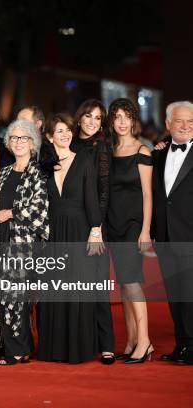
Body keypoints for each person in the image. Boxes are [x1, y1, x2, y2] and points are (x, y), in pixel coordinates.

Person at [37, 113, 103, 364]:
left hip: (78, 229)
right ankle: (52, 349)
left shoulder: (84, 159)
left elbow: (91, 198)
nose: (65, 135)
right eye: (59, 131)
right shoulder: (43, 164)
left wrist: (95, 230)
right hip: (52, 232)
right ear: (50, 136)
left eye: (68, 130)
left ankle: (78, 349)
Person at [0, 120, 49, 365]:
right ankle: (18, 346)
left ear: (32, 142)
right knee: (6, 295)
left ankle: (18, 349)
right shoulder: (4, 172)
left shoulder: (37, 173)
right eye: (13, 138)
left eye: (23, 138)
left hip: (23, 242)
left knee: (17, 297)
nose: (18, 142)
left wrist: (10, 213)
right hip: (1, 238)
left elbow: (40, 210)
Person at [106, 99, 154, 364]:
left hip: (133, 224)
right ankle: (132, 339)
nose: (122, 122)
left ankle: (145, 341)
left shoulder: (142, 150)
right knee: (124, 283)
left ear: (134, 120)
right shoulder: (110, 150)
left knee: (132, 281)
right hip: (112, 222)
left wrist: (145, 230)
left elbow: (148, 194)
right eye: (117, 117)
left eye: (126, 117)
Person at [71, 99, 116, 364]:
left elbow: (103, 190)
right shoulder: (69, 142)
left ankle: (107, 343)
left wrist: (96, 228)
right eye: (88, 116)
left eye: (98, 118)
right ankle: (82, 342)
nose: (92, 122)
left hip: (95, 225)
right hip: (71, 223)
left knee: (97, 285)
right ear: (79, 118)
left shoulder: (101, 147)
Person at [152, 101, 193, 365]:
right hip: (166, 236)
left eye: (190, 121)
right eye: (179, 121)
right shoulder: (159, 154)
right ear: (168, 124)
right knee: (175, 295)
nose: (186, 126)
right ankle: (182, 345)